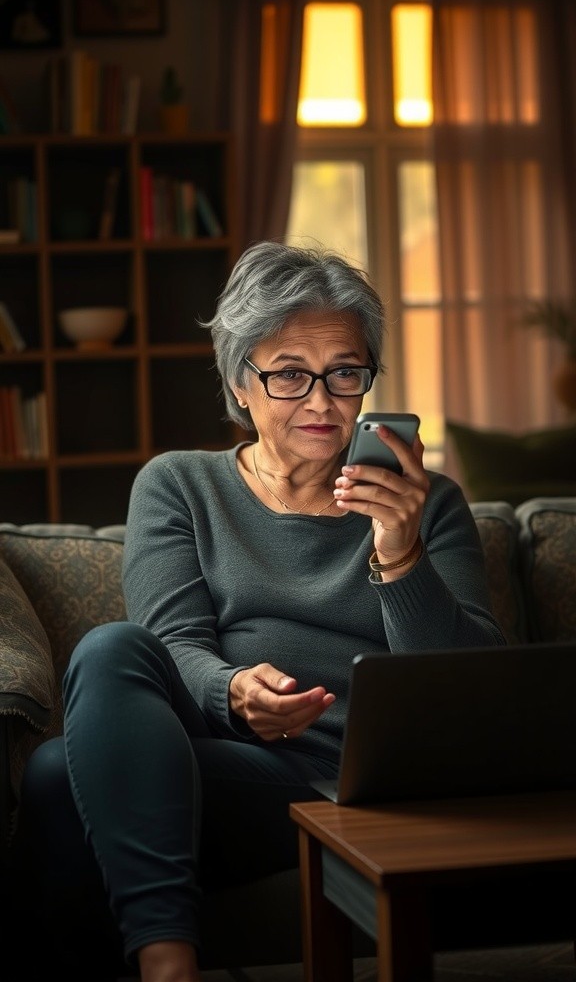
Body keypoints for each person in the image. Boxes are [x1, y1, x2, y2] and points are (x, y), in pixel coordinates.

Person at [15, 240, 505, 982]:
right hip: (232, 764)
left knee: (57, 776)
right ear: (240, 384)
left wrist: (400, 554)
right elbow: (170, 645)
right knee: (111, 652)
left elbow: (472, 694)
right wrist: (231, 692)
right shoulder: (180, 486)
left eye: (345, 372)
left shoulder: (426, 503)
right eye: (289, 375)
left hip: (355, 785)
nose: (322, 400)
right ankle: (168, 964)